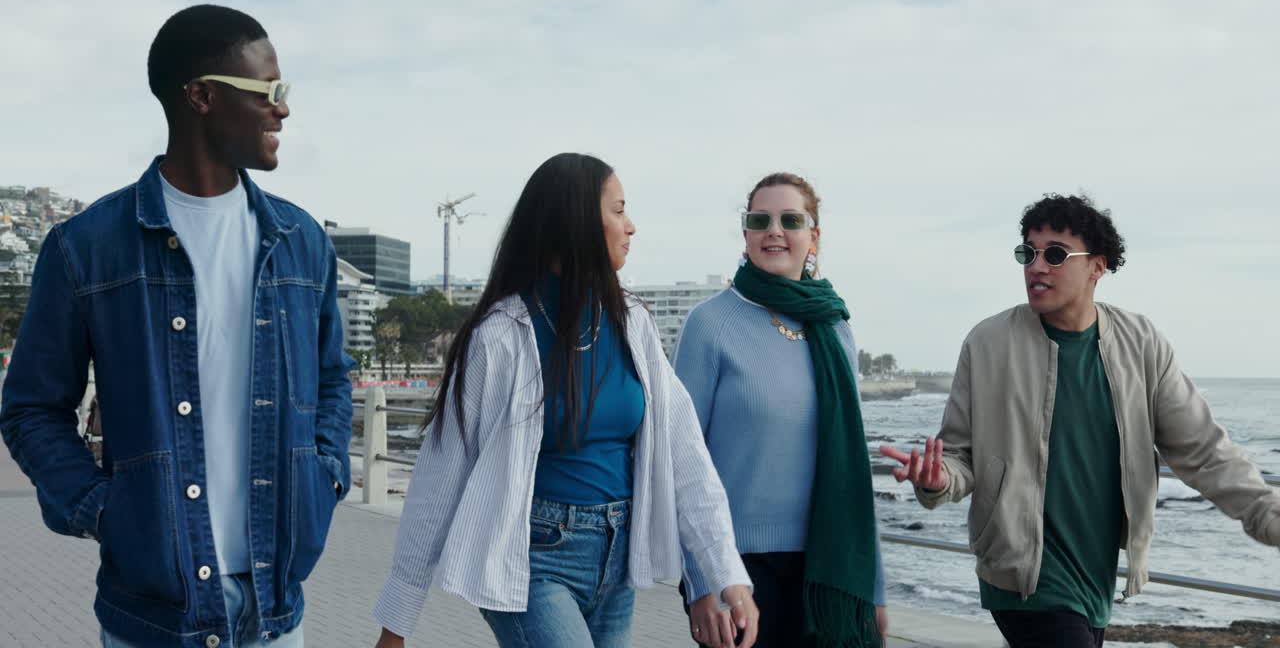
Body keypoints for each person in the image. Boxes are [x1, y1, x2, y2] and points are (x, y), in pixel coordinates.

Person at [0, 4, 354, 648]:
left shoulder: (302, 242)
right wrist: (102, 510)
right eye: (271, 91)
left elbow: (332, 378)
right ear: (201, 97)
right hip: (155, 608)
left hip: (276, 601)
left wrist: (326, 476)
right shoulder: (87, 247)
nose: (284, 109)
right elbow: (30, 406)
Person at [373, 153, 758, 648]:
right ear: (575, 221)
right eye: (618, 210)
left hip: (617, 558)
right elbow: (440, 475)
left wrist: (728, 575)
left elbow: (685, 454)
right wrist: (396, 623)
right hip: (530, 560)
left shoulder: (632, 322)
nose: (631, 225)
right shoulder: (501, 335)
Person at [880, 194, 1280, 648]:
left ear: (1097, 267)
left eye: (1054, 254)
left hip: (1095, 576)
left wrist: (1267, 513)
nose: (1036, 266)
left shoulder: (1142, 343)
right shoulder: (988, 342)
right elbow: (959, 455)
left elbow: (1204, 450)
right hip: (1021, 578)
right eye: (1027, 253)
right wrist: (936, 480)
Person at [673, 173, 887, 648]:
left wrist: (873, 589)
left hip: (827, 568)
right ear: (745, 233)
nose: (774, 230)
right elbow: (679, 461)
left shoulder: (836, 329)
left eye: (790, 219)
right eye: (759, 219)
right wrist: (700, 586)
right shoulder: (709, 324)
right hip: (738, 571)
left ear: (814, 235)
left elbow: (851, 467)